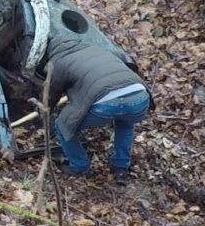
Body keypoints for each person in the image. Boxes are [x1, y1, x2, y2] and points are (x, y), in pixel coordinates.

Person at [45, 36, 152, 184]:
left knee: (63, 125)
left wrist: (45, 110)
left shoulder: (58, 61)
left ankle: (79, 166)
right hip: (139, 95)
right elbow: (128, 62)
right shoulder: (98, 48)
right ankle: (121, 168)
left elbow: (51, 93)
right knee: (125, 124)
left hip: (105, 102)